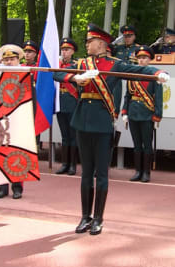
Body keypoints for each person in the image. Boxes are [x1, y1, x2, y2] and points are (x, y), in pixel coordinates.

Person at [55, 23, 169, 235]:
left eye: (90, 42)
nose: (86, 45)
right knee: (86, 174)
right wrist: (75, 77)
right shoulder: (82, 63)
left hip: (102, 123)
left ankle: (98, 218)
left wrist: (158, 72)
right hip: (82, 122)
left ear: (100, 44)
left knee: (102, 174)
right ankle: (85, 217)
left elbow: (140, 69)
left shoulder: (115, 65)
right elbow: (57, 73)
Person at [121, 45, 163, 183]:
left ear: (149, 60)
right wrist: (125, 112)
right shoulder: (132, 75)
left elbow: (158, 97)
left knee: (147, 144)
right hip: (133, 113)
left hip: (147, 114)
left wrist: (157, 115)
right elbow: (127, 96)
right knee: (136, 144)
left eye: (144, 58)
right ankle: (138, 171)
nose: (141, 61)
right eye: (139, 58)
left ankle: (146, 172)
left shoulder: (154, 75)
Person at [0, 44, 25, 199]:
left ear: (18, 60)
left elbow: (31, 99)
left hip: (19, 118)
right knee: (0, 153)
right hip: (0, 118)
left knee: (17, 153)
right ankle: (1, 187)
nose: (9, 62)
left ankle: (17, 187)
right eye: (6, 60)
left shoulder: (24, 76)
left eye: (12, 59)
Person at [53, 38, 78, 175]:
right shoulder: (58, 65)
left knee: (73, 135)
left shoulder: (76, 65)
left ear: (73, 51)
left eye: (67, 49)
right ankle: (64, 163)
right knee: (64, 135)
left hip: (72, 102)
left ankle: (73, 165)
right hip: (60, 102)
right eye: (63, 49)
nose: (64, 52)